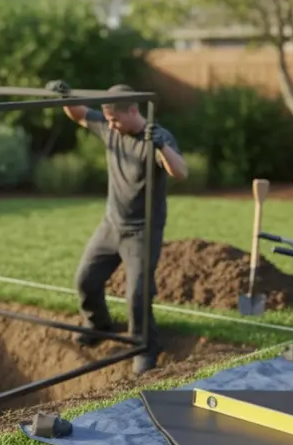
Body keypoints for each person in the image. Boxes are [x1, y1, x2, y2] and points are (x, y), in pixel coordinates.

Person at [45, 80, 189, 375]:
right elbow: (79, 114)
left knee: (137, 295)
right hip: (111, 224)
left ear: (133, 110)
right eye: (107, 119)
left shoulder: (157, 137)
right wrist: (65, 96)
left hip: (142, 231)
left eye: (115, 120)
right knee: (85, 279)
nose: (110, 125)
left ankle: (145, 346)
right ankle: (97, 325)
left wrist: (161, 145)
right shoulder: (109, 127)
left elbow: (181, 172)